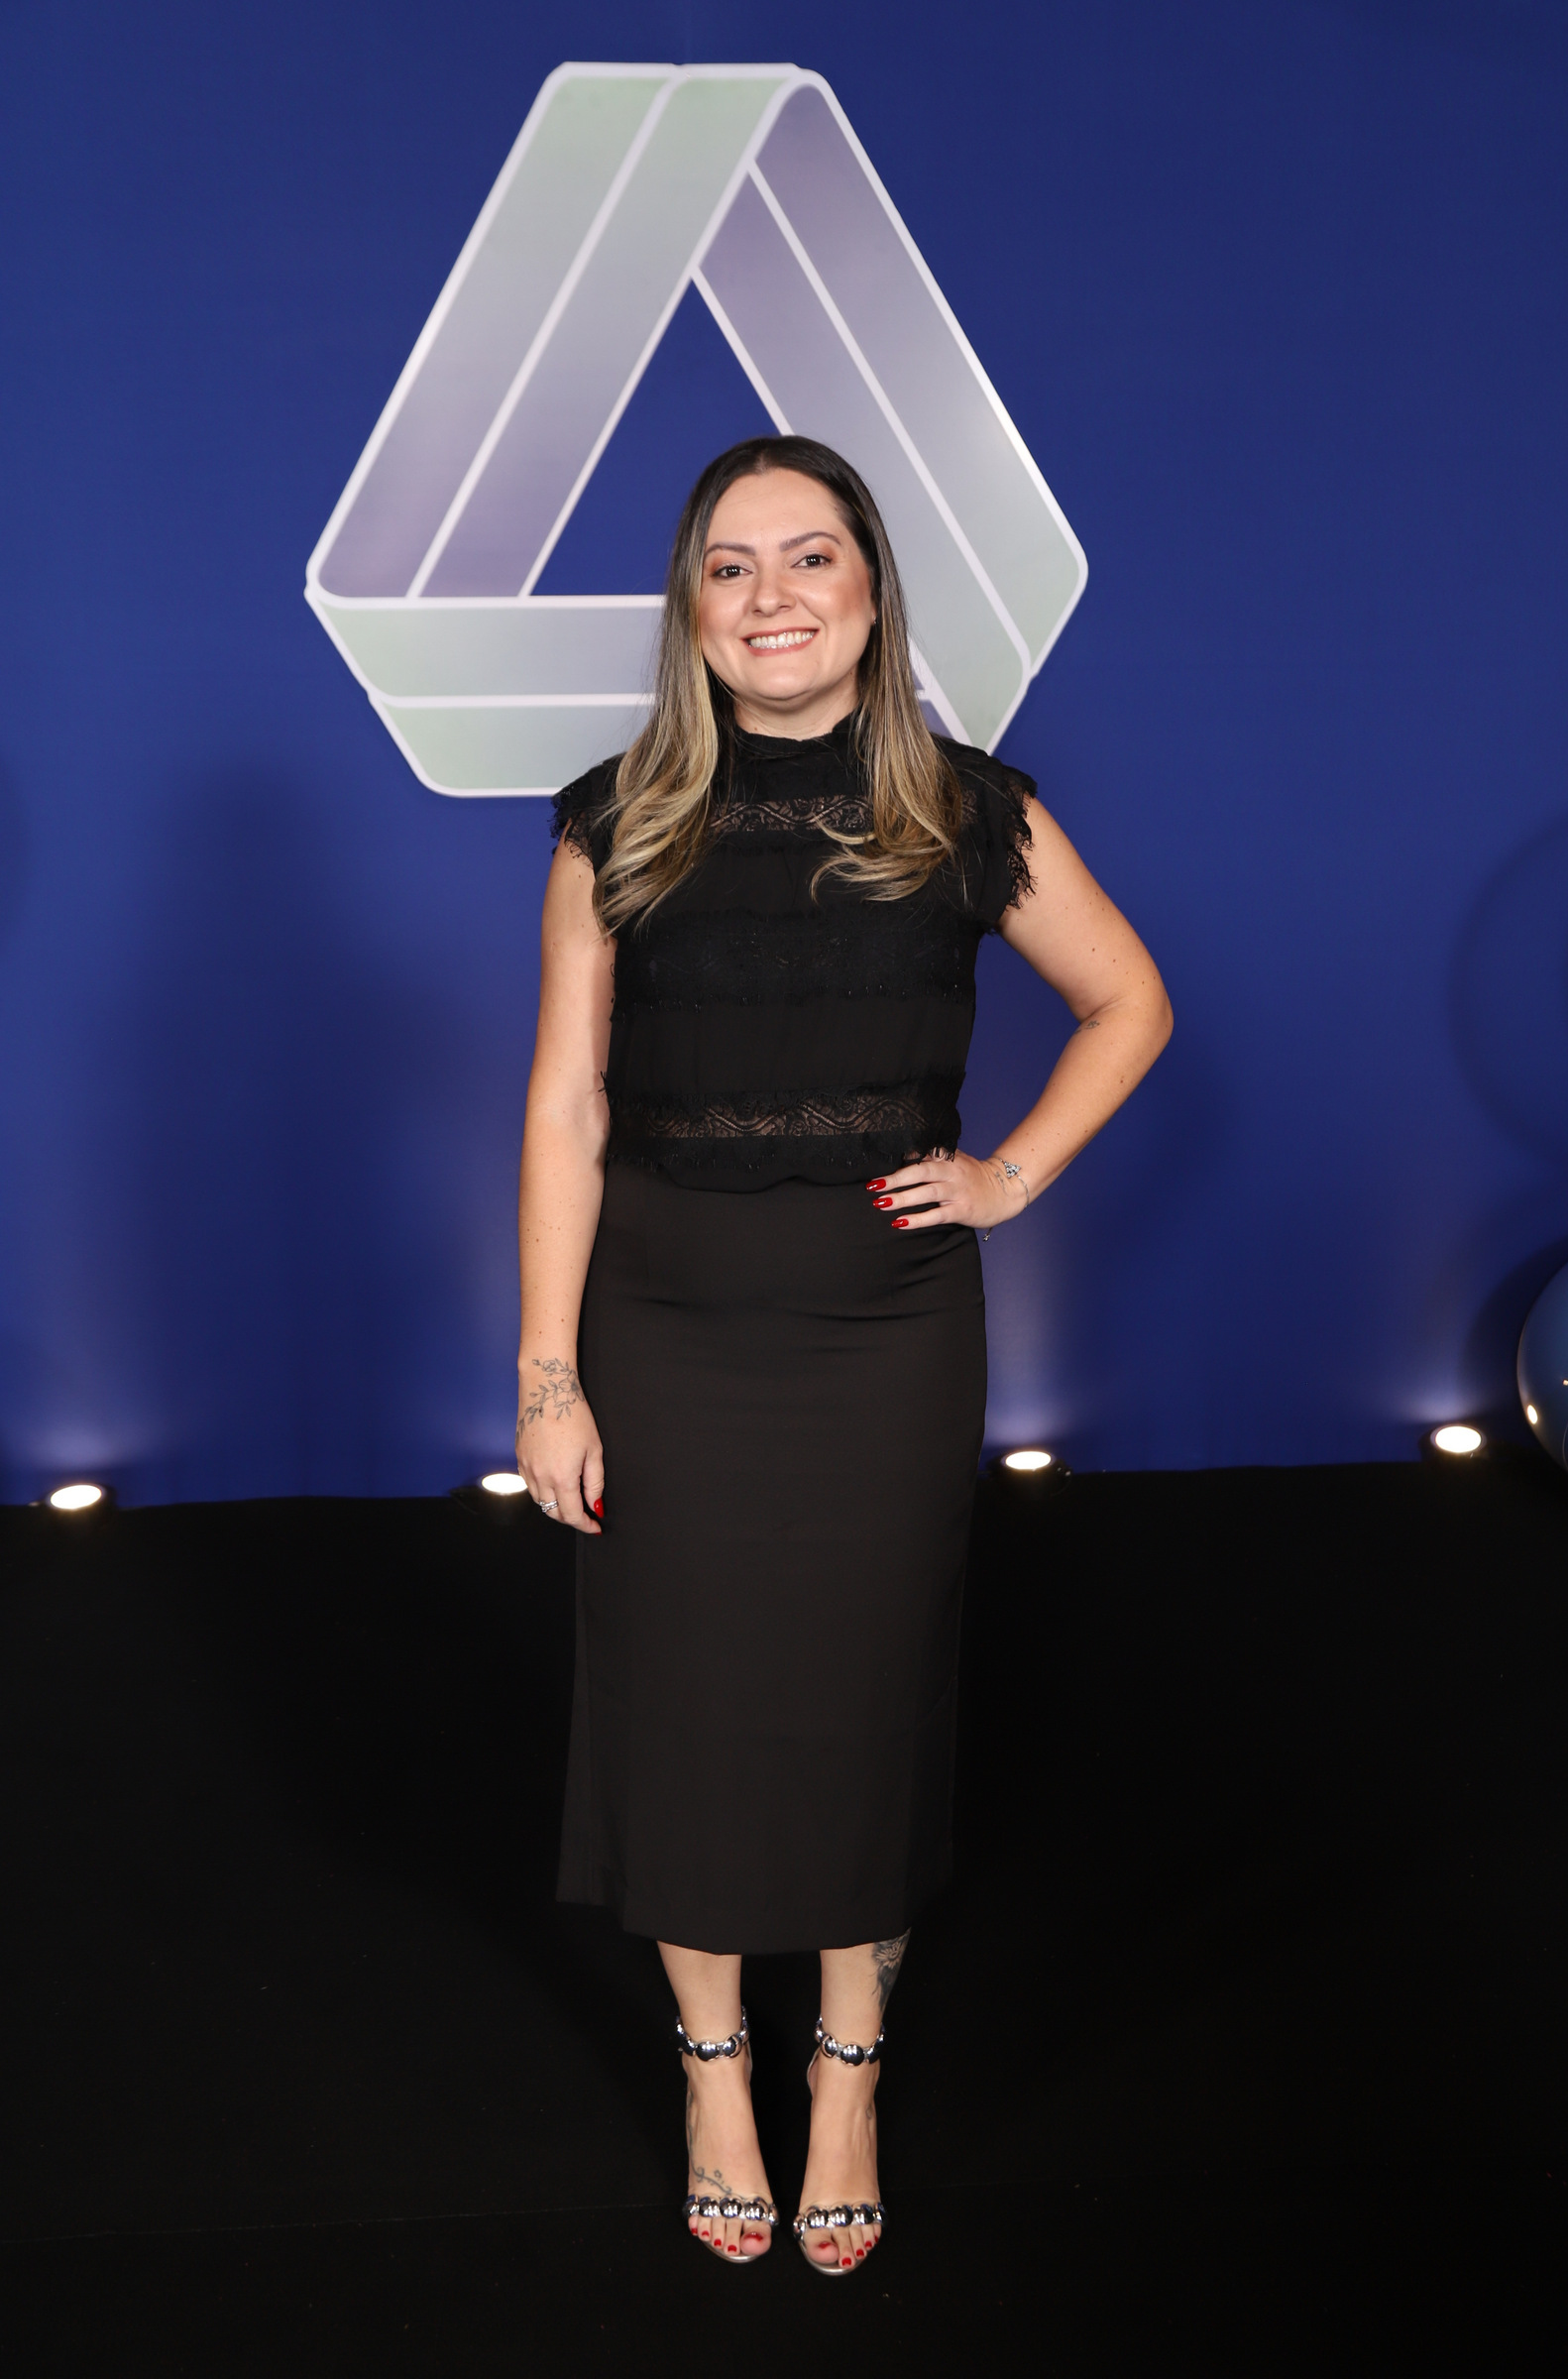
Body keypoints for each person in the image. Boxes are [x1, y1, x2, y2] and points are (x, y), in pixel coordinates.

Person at [515, 434, 1171, 2276]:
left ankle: (850, 2076)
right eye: (732, 566)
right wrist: (548, 1374)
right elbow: (566, 1105)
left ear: (876, 592)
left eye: (811, 557)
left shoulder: (961, 810)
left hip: (886, 1334)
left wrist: (1013, 1173)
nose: (774, 596)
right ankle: (717, 2074)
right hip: (660, 1328)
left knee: (861, 1700)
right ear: (691, 608)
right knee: (684, 1707)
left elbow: (1128, 1001)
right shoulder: (615, 822)